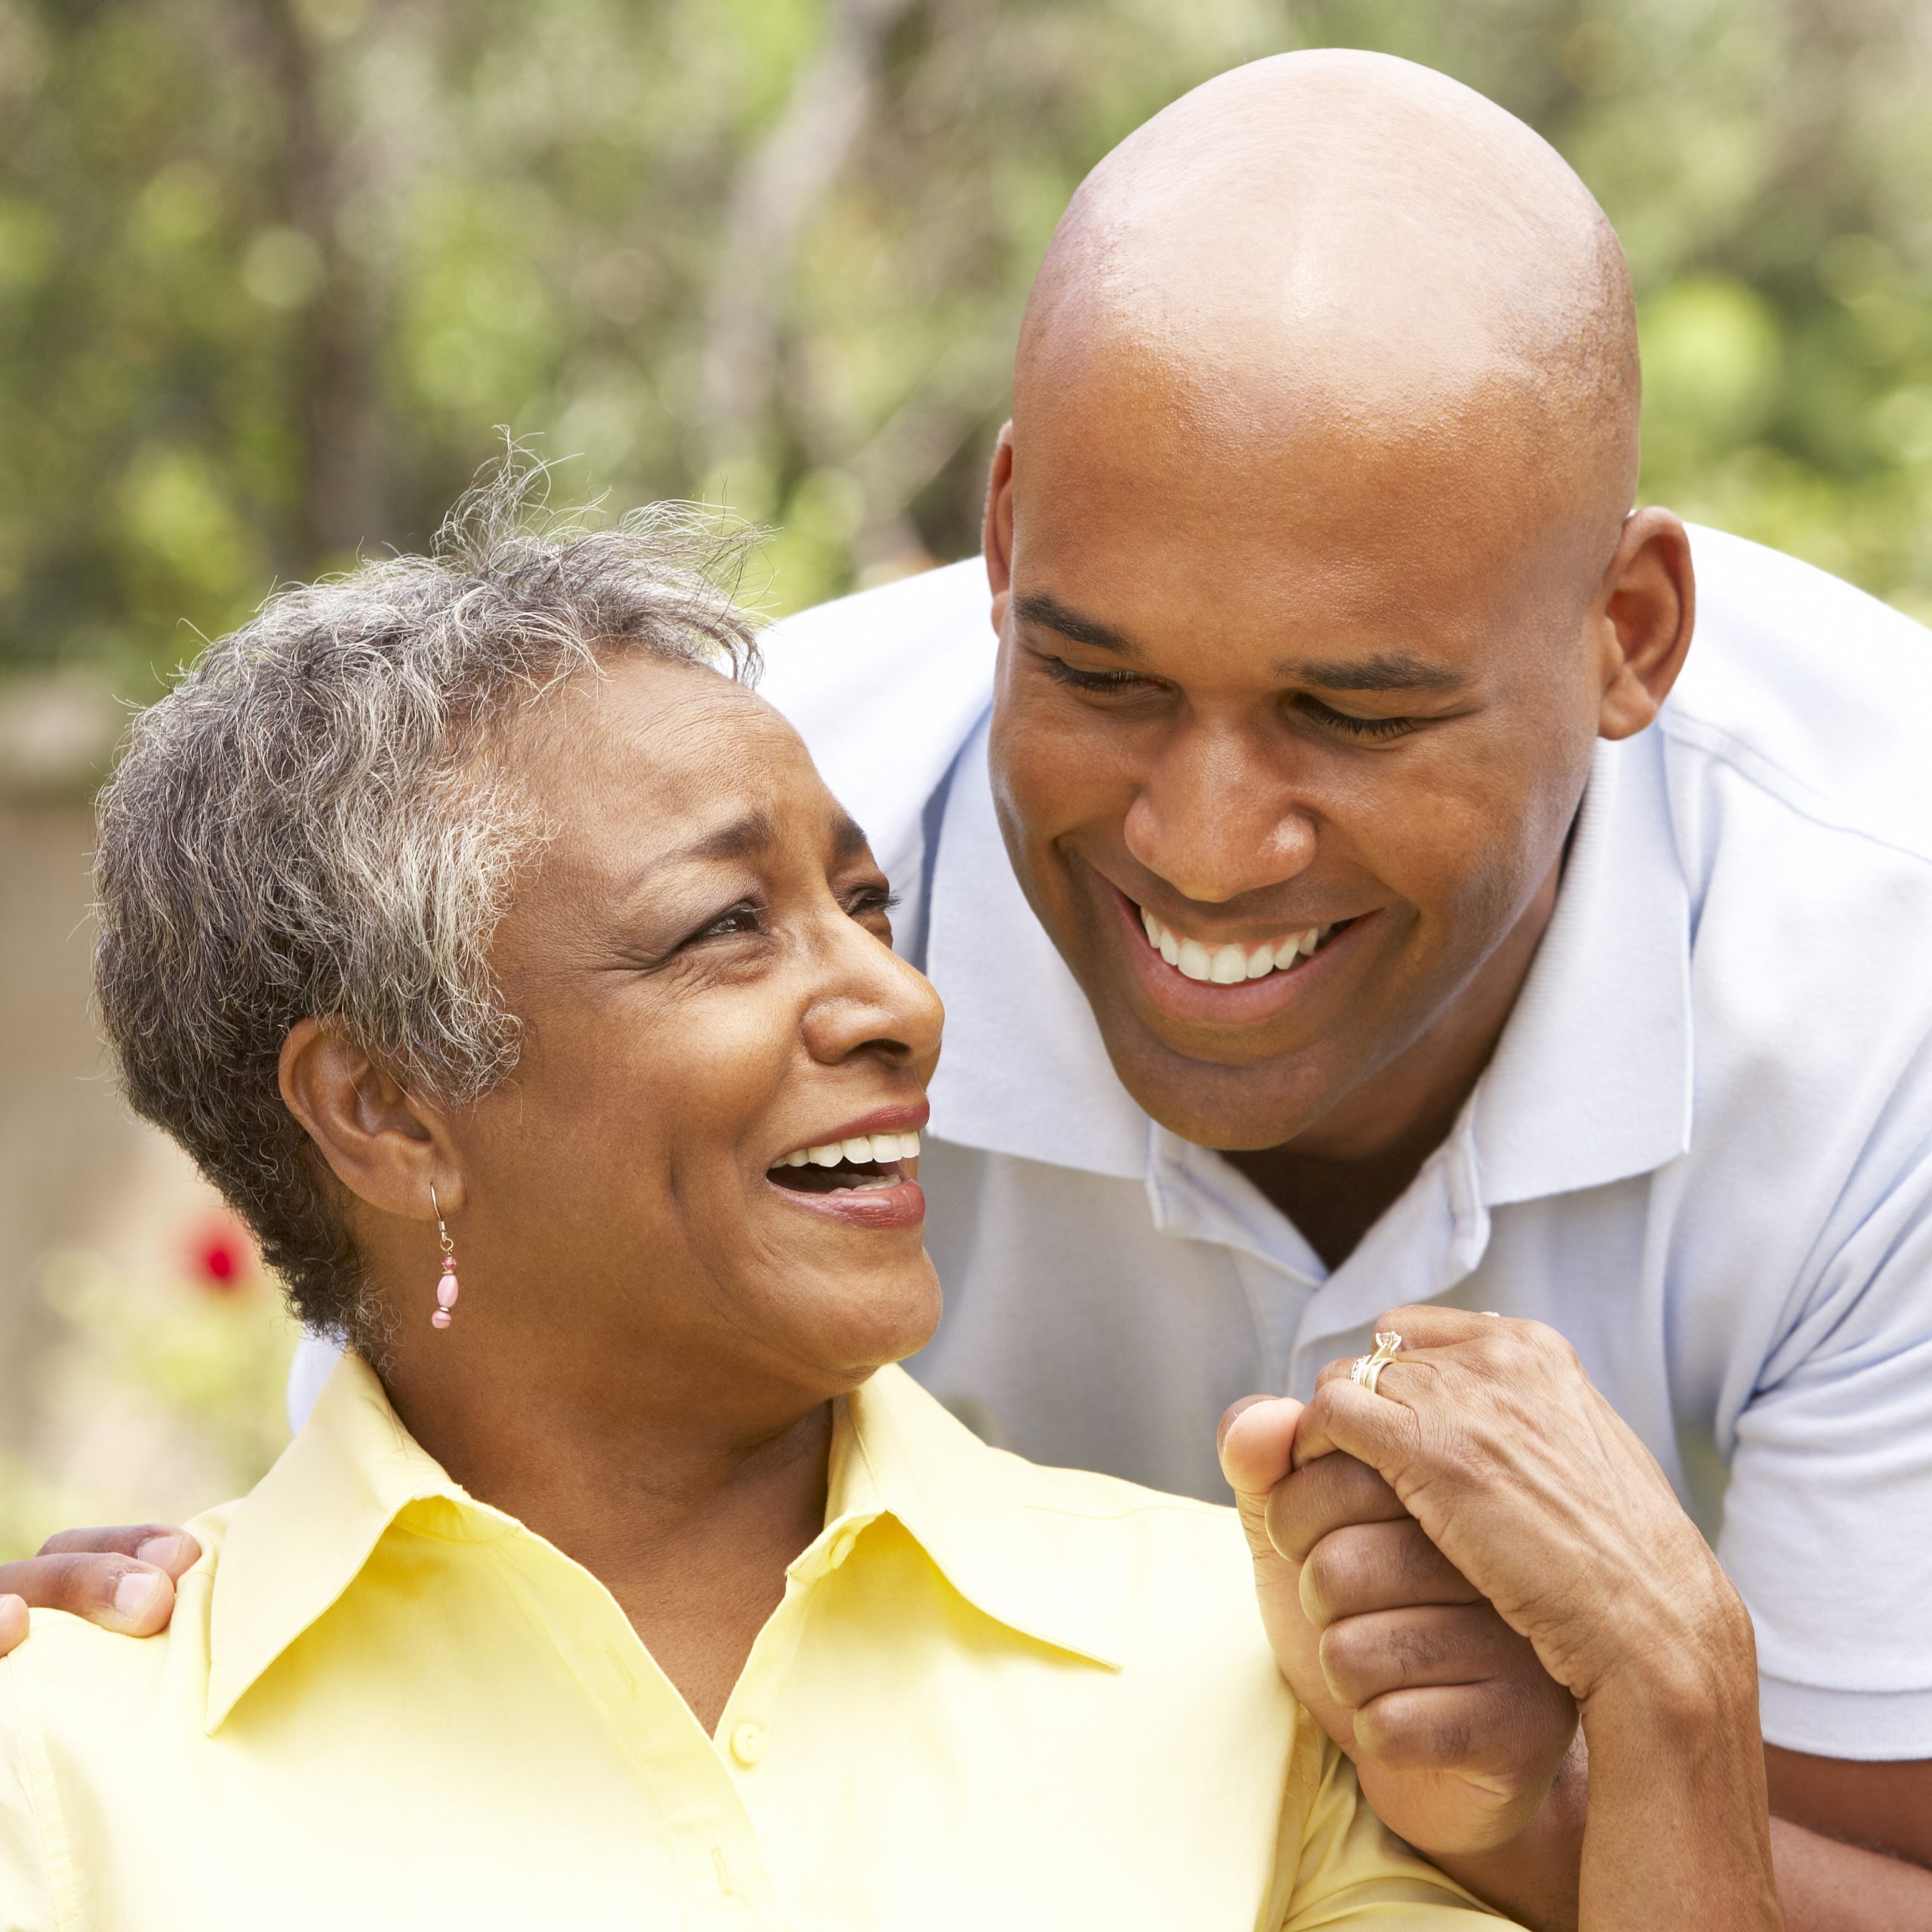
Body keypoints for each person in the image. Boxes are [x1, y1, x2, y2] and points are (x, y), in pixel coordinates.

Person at [6, 45, 1929, 1926]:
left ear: (1627, 636)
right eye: (1099, 682)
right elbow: (464, 1398)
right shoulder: (701, 793)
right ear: (1001, 545)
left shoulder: (1874, 968)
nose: (1197, 838)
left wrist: (1610, 1751)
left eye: (1348, 713)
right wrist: (152, 1645)